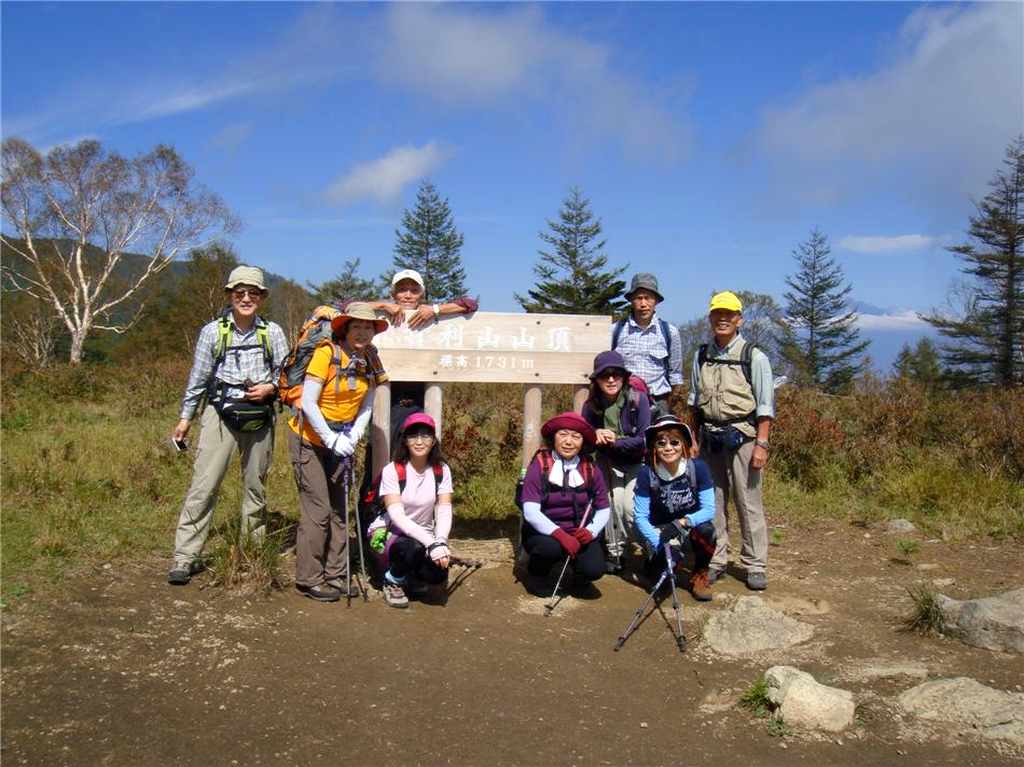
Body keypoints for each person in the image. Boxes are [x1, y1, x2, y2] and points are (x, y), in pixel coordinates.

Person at [168, 266, 290, 585]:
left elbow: (288, 374)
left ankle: (251, 553)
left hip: (259, 413)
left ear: (262, 297)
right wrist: (186, 418)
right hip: (219, 414)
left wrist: (270, 389)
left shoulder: (272, 333)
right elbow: (199, 377)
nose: (246, 298)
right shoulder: (213, 331)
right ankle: (185, 557)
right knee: (204, 484)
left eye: (253, 293)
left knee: (255, 486)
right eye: (239, 293)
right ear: (230, 295)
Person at [346, 268, 479, 498]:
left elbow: (469, 304)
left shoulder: (431, 318)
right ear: (393, 294)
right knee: (378, 460)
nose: (407, 295)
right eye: (401, 290)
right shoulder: (378, 319)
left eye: (414, 290)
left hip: (419, 405)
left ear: (421, 295)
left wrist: (435, 310)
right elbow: (345, 306)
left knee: (417, 461)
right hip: (385, 404)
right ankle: (374, 514)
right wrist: (382, 307)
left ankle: (414, 514)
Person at [290, 303, 389, 602]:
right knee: (318, 511)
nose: (362, 332)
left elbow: (367, 403)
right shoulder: (326, 353)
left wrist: (356, 433)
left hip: (343, 440)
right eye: (356, 326)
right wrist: (330, 439)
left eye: (368, 327)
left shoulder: (369, 358)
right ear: (344, 329)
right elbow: (308, 401)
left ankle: (336, 573)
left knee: (339, 510)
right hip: (308, 438)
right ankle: (309, 578)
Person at [687, 291, 775, 591]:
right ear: (710, 318)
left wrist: (762, 444)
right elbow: (694, 401)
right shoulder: (701, 355)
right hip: (709, 435)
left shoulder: (754, 357)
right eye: (717, 314)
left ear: (739, 319)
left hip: (744, 437)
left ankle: (755, 564)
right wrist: (693, 438)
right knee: (714, 503)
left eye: (728, 314)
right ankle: (716, 560)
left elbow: (765, 405)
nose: (722, 319)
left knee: (748, 502)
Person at [367, 413, 455, 609]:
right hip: (390, 533)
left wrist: (440, 541)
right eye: (413, 436)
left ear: (433, 441)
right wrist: (431, 544)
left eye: (426, 436)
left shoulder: (441, 470)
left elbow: (444, 508)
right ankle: (393, 579)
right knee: (411, 549)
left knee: (437, 574)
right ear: (405, 441)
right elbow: (397, 516)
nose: (419, 441)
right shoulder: (393, 470)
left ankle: (411, 574)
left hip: (423, 536)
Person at [518, 412, 611, 596]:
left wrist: (590, 532)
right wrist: (560, 535)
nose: (569, 442)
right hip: (544, 533)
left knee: (595, 569)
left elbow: (603, 508)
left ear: (583, 442)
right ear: (554, 438)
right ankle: (537, 575)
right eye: (563, 435)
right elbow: (530, 511)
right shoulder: (539, 465)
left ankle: (579, 577)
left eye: (576, 437)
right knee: (549, 548)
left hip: (578, 532)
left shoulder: (590, 469)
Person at [580, 350, 651, 575]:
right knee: (611, 506)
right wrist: (595, 435)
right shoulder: (590, 406)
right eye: (604, 375)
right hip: (607, 462)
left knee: (632, 509)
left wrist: (615, 442)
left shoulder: (638, 400)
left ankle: (652, 549)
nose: (611, 379)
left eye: (616, 374)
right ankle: (616, 553)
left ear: (624, 377)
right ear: (596, 380)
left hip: (637, 462)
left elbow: (644, 440)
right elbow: (584, 441)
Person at [633, 415, 717, 601]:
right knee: (662, 584)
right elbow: (640, 517)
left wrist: (681, 523)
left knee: (707, 531)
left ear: (684, 445)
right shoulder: (646, 473)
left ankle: (701, 574)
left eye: (675, 442)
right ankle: (655, 562)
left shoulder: (699, 468)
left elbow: (709, 510)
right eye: (661, 443)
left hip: (686, 526)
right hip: (658, 530)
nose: (668, 448)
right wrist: (659, 543)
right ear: (654, 447)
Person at [611, 272, 683, 419]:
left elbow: (675, 375)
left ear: (656, 300)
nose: (643, 304)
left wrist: (666, 405)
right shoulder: (615, 330)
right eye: (639, 298)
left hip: (658, 401)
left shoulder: (670, 332)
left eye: (648, 298)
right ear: (632, 300)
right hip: (623, 401)